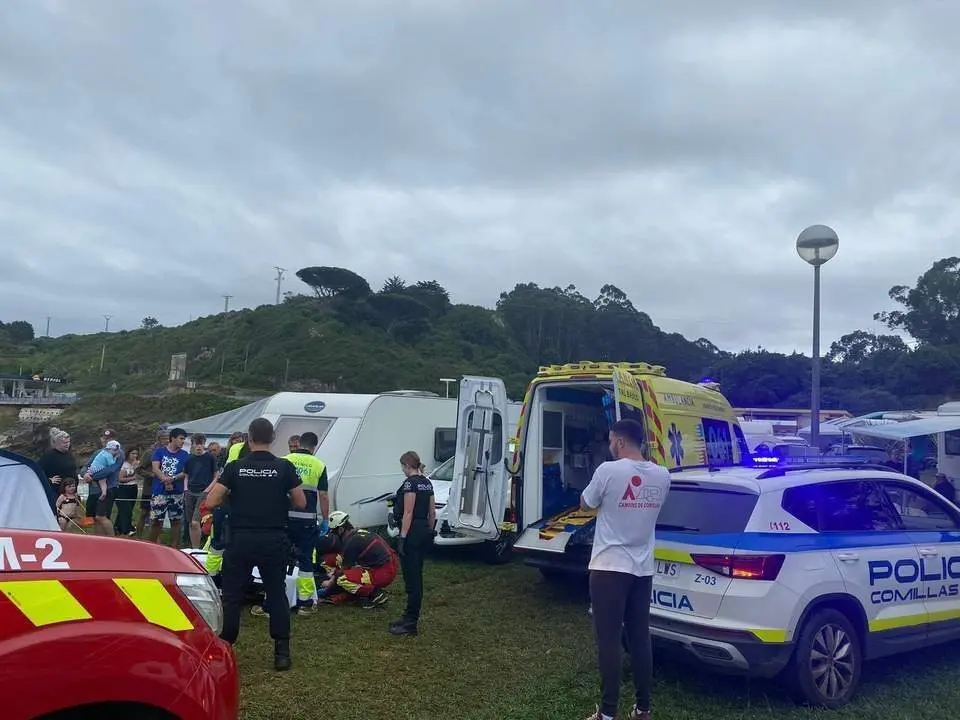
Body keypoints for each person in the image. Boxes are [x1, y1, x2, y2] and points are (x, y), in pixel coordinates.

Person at [579, 419, 671, 720]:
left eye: (611, 441)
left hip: (608, 567)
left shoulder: (608, 471)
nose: (610, 446)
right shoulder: (663, 475)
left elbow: (585, 503)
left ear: (619, 441)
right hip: (642, 569)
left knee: (608, 640)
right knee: (640, 637)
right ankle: (643, 709)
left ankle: (608, 713)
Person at [206, 417, 305, 671]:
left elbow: (211, 501)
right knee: (276, 593)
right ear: (272, 439)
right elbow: (301, 502)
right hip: (273, 538)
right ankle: (282, 653)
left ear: (249, 439)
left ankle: (225, 648)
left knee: (232, 595)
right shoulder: (283, 467)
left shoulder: (235, 467)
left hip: (241, 538)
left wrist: (234, 501)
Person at [281, 431, 329, 614]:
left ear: (299, 443)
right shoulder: (319, 464)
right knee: (305, 560)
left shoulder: (284, 460)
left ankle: (275, 599)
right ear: (314, 446)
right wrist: (325, 519)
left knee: (279, 558)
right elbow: (323, 495)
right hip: (307, 521)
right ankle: (305, 603)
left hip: (284, 519)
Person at [389, 450, 436, 636]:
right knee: (417, 575)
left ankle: (410, 622)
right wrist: (430, 531)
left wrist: (402, 537)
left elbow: (408, 512)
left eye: (402, 466)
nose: (402, 469)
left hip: (412, 532)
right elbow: (432, 513)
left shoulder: (410, 484)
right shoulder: (427, 483)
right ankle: (409, 617)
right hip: (423, 531)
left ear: (407, 465)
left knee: (412, 579)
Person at [319, 511, 396, 609]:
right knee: (349, 572)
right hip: (389, 564)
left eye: (334, 533)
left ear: (341, 529)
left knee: (342, 578)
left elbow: (343, 570)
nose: (334, 536)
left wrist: (329, 584)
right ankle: (366, 592)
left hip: (383, 572)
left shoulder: (351, 542)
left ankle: (375, 594)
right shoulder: (359, 534)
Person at [149, 427, 190, 548]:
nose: (183, 441)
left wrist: (173, 478)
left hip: (177, 492)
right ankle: (151, 545)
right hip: (159, 492)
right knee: (156, 520)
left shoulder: (185, 455)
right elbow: (155, 468)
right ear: (173, 438)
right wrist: (164, 479)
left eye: (184, 439)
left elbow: (186, 471)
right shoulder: (159, 452)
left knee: (176, 520)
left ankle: (174, 546)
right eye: (181, 438)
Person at [184, 434, 219, 548]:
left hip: (203, 492)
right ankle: (195, 548)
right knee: (191, 523)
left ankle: (198, 549)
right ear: (192, 445)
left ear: (204, 444)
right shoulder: (189, 459)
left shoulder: (210, 458)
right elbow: (186, 476)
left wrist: (207, 490)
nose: (199, 447)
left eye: (201, 444)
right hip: (190, 491)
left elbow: (216, 475)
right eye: (196, 444)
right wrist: (185, 489)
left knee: (195, 522)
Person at [85, 439, 123, 537]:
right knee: (97, 517)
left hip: (110, 487)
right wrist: (86, 474)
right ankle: (99, 539)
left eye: (110, 437)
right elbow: (87, 466)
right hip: (95, 489)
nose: (106, 439)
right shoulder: (99, 453)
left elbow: (110, 469)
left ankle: (112, 539)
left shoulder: (119, 453)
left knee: (101, 516)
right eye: (105, 437)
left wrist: (93, 476)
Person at [137, 425, 170, 536]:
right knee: (144, 513)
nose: (167, 441)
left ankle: (155, 538)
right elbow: (139, 469)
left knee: (157, 514)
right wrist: (152, 475)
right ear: (159, 439)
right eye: (164, 439)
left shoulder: (169, 452)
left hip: (163, 488)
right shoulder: (150, 452)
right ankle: (138, 536)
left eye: (168, 438)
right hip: (149, 488)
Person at [36, 427, 76, 498]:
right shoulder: (48, 456)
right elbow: (37, 471)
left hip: (71, 492)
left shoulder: (69, 454)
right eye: (64, 443)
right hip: (56, 493)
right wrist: (49, 480)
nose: (67, 444)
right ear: (57, 443)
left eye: (68, 442)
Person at [115, 448, 141, 536]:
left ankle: (118, 527)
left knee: (129, 508)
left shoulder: (137, 463)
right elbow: (120, 479)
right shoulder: (124, 464)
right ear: (128, 454)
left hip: (133, 487)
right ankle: (126, 529)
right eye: (132, 453)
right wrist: (133, 477)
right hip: (123, 488)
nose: (134, 456)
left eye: (136, 454)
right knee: (126, 510)